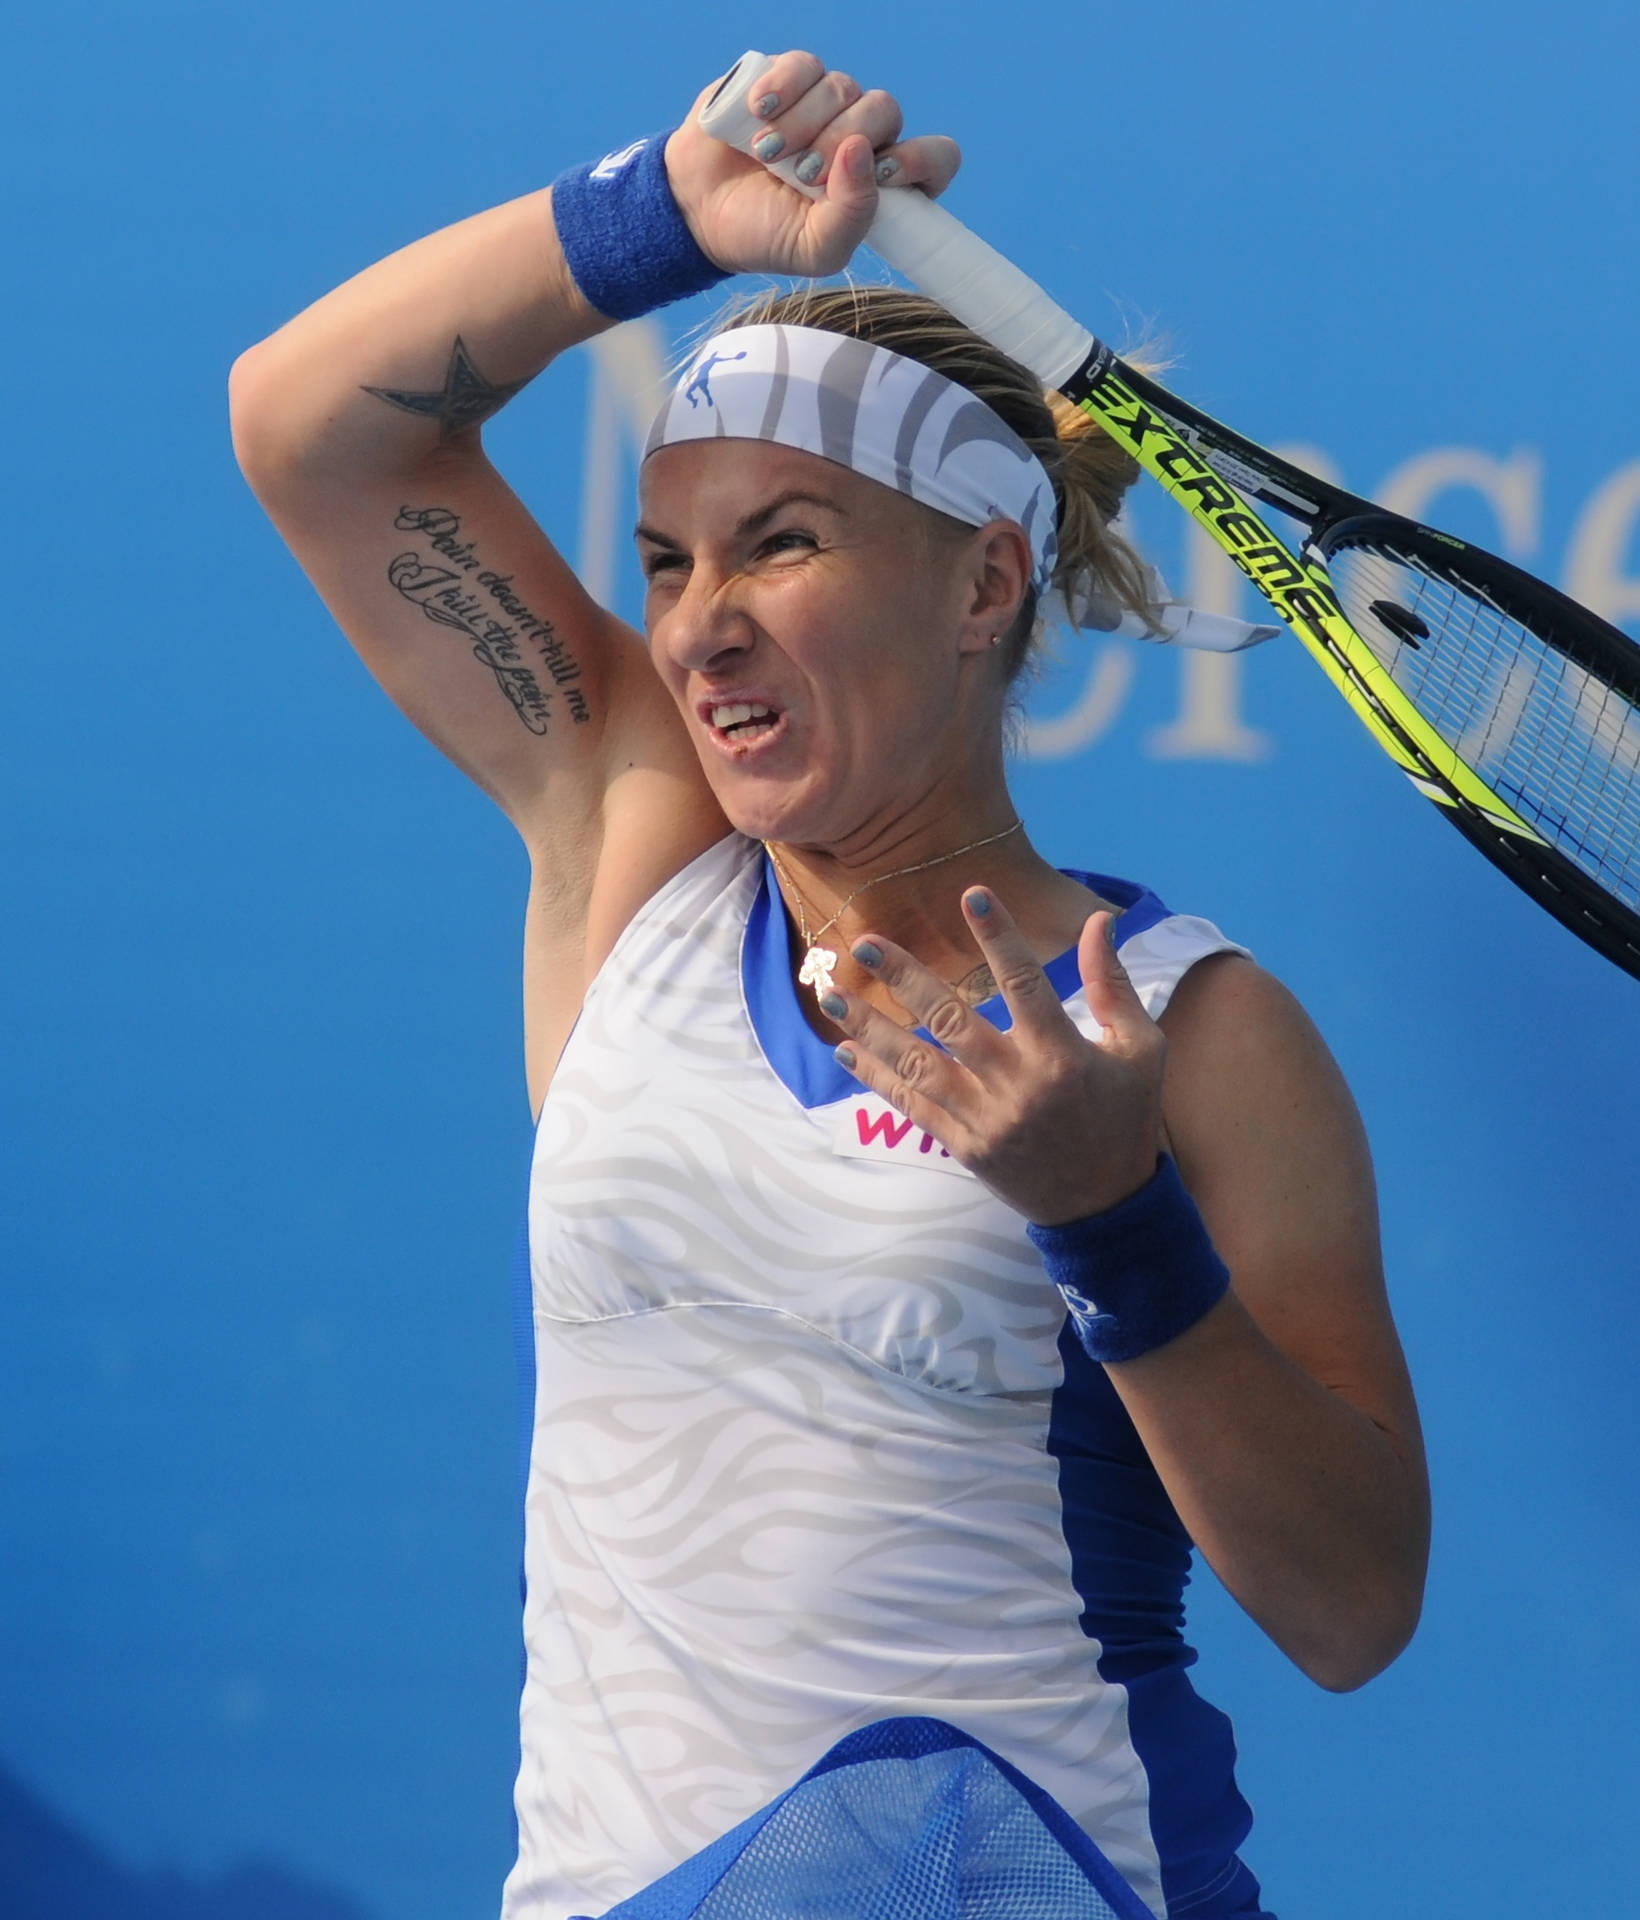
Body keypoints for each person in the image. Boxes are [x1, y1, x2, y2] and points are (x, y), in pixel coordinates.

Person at [230, 50, 1429, 1920]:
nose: (698, 619)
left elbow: (1354, 1608)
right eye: (666, 559)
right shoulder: (638, 853)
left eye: (781, 543)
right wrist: (657, 222)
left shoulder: (1194, 1028)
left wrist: (1114, 1227)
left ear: (980, 585)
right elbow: (313, 425)